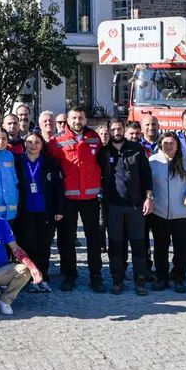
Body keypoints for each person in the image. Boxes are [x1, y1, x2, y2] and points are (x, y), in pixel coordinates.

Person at [98, 119, 153, 295]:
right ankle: (117, 280)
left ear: (124, 130)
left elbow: (146, 175)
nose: (116, 132)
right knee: (115, 245)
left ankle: (140, 281)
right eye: (113, 129)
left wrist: (149, 197)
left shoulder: (136, 149)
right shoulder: (104, 152)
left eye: (119, 129)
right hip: (113, 205)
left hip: (135, 205)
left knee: (138, 245)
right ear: (109, 131)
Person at [53, 106, 104, 293]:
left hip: (90, 198)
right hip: (69, 198)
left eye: (81, 118)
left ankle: (96, 276)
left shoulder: (94, 139)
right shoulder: (57, 141)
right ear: (67, 120)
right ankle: (70, 275)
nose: (77, 121)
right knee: (67, 240)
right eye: (74, 118)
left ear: (85, 120)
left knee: (93, 239)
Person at [149, 132, 186, 293]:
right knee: (160, 247)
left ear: (177, 145)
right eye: (165, 143)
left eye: (172, 143)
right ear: (160, 145)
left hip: (182, 213)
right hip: (159, 213)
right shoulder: (153, 161)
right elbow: (147, 185)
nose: (168, 146)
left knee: (182, 248)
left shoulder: (185, 162)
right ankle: (161, 277)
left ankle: (179, 277)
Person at [14, 132, 63, 292]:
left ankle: (43, 277)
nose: (33, 145)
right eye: (29, 142)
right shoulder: (18, 162)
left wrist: (59, 209)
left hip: (45, 211)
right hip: (25, 210)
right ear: (24, 144)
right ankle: (28, 278)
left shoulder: (50, 163)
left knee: (44, 246)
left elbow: (58, 188)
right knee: (28, 245)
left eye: (36, 142)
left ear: (42, 145)